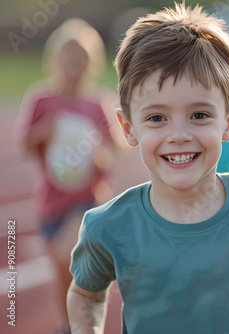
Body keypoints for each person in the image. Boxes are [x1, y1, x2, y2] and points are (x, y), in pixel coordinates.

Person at [67, 4, 229, 334]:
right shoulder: (108, 227)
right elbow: (86, 293)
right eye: (156, 118)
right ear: (127, 127)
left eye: (199, 115)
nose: (179, 135)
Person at [16, 18, 115, 334]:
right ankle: (68, 324)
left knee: (72, 260)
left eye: (81, 61)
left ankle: (87, 321)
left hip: (86, 202)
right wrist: (44, 131)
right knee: (62, 271)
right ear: (54, 61)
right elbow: (26, 145)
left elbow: (113, 154)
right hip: (50, 205)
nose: (74, 67)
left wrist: (99, 155)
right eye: (68, 60)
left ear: (92, 65)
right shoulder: (42, 100)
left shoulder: (97, 104)